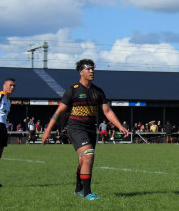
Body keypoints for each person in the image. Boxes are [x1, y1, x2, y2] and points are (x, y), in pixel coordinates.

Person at [41, 59, 129, 200]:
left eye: (93, 68)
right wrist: (47, 131)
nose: (92, 71)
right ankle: (87, 194)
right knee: (88, 155)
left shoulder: (98, 91)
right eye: (88, 69)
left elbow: (107, 111)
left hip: (90, 129)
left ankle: (78, 188)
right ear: (81, 72)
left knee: (84, 160)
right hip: (75, 128)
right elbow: (58, 112)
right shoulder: (72, 90)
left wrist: (120, 126)